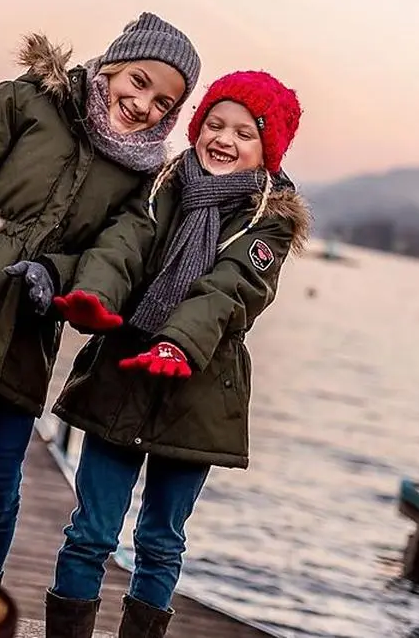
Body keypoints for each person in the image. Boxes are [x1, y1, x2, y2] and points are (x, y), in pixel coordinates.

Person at [0, 13, 203, 582]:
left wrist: (56, 276)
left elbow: (113, 257)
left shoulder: (141, 179)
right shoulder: (26, 101)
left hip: (24, 335)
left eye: (164, 103)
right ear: (111, 67)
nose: (145, 106)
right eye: (139, 82)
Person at [44, 71, 311, 638]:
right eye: (215, 123)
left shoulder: (270, 222)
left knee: (161, 542)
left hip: (199, 393)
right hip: (123, 375)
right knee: (90, 530)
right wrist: (96, 292)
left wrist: (179, 341)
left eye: (244, 132)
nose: (224, 138)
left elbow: (231, 288)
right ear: (197, 127)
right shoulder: (162, 184)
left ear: (268, 150)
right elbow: (124, 243)